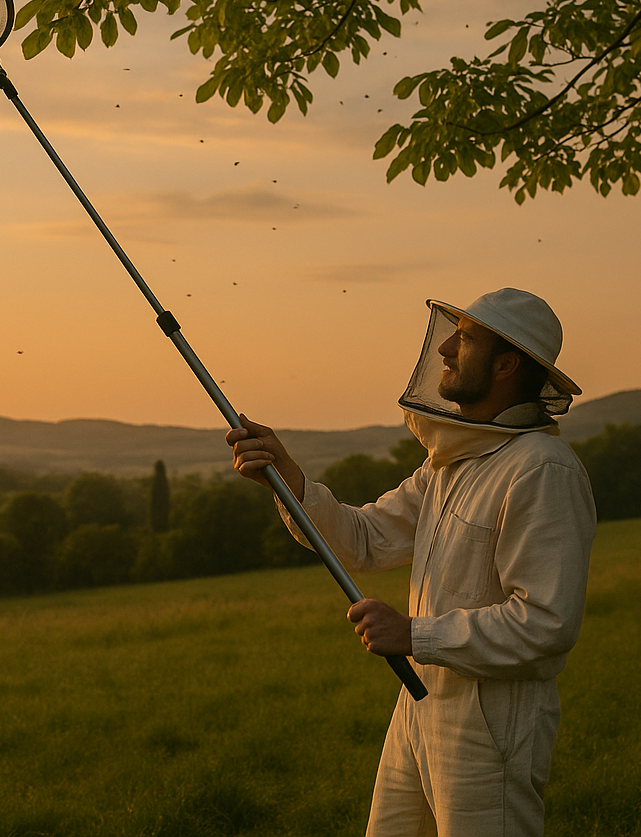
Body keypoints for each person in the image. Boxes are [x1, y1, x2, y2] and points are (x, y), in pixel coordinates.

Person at [227, 288, 595, 837]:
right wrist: (287, 478)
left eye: (466, 338)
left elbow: (546, 622)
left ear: (506, 364)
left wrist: (415, 634)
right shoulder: (450, 466)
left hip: (489, 723)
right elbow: (365, 541)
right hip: (419, 707)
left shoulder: (541, 469)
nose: (445, 347)